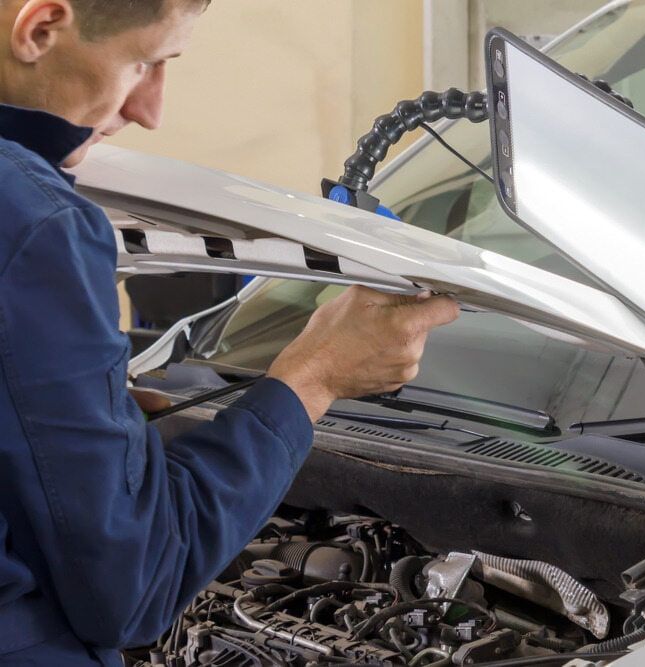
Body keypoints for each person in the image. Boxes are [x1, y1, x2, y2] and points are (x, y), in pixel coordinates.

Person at [0, 0, 460, 664]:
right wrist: (314, 375)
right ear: (40, 28)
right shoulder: (36, 225)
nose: (149, 110)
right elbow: (132, 591)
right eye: (145, 62)